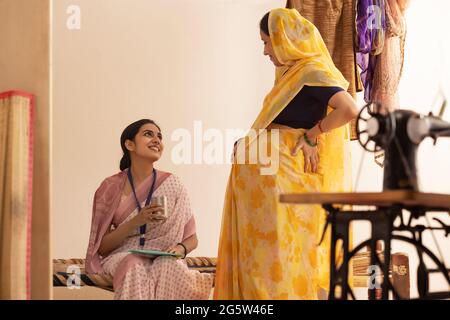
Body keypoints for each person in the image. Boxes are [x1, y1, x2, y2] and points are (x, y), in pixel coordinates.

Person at [214, 8, 358, 300]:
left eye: (267, 42)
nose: (265, 50)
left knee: (278, 251)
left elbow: (350, 109)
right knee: (259, 253)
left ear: (284, 39)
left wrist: (313, 134)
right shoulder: (290, 74)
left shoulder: (312, 71)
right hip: (265, 183)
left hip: (284, 177)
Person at [85, 119, 213, 300]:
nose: (157, 140)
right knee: (134, 264)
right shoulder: (111, 187)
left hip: (164, 255)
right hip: (124, 255)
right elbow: (103, 247)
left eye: (159, 136)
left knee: (170, 265)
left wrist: (180, 248)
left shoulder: (173, 184)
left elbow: (192, 238)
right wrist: (137, 221)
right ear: (129, 144)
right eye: (148, 134)